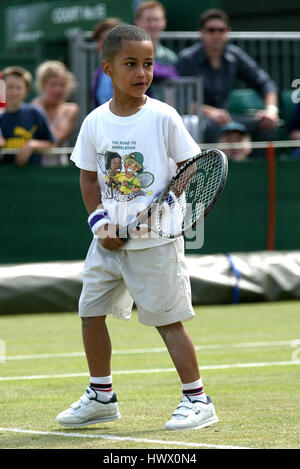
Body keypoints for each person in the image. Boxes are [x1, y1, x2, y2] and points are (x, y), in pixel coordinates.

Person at [56, 24, 218, 431]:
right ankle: (101, 396)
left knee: (167, 320)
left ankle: (198, 400)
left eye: (147, 63)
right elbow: (89, 178)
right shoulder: (94, 122)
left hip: (156, 241)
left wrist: (163, 202)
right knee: (90, 313)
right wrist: (99, 223)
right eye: (131, 64)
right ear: (107, 68)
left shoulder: (164, 116)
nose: (141, 72)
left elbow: (190, 168)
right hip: (106, 243)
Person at [177, 9, 279, 143]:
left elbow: (265, 83)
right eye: (211, 30)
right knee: (210, 127)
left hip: (225, 118)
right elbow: (181, 101)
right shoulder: (187, 59)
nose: (217, 34)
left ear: (228, 32)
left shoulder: (235, 55)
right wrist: (210, 112)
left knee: (267, 125)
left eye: (221, 30)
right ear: (201, 32)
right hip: (197, 119)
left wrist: (271, 110)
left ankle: (253, 164)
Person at [0, 66, 55, 166]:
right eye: (10, 87)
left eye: (18, 87)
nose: (14, 92)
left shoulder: (35, 113)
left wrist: (33, 145)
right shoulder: (1, 117)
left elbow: (51, 143)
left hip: (33, 177)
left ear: (26, 91)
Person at [32, 60, 79, 165]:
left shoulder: (70, 109)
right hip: (34, 168)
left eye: (62, 85)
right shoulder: (34, 107)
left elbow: (56, 139)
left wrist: (40, 111)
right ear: (43, 85)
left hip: (58, 171)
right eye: (53, 85)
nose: (58, 90)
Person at [134, 1, 179, 98]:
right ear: (138, 22)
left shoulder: (170, 58)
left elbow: (172, 94)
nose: (153, 25)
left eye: (157, 20)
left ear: (164, 23)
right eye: (149, 20)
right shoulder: (127, 54)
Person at [91, 17, 123, 109]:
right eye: (100, 39)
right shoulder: (99, 72)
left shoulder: (133, 66)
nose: (103, 43)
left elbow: (165, 71)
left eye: (108, 39)